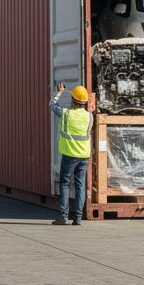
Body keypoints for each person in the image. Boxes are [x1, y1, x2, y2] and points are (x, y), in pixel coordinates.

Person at [50, 82, 93, 226]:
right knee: (80, 184)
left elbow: (52, 105)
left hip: (69, 154)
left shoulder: (66, 113)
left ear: (73, 100)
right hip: (84, 155)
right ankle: (78, 217)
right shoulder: (89, 117)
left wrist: (60, 92)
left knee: (65, 183)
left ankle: (63, 216)